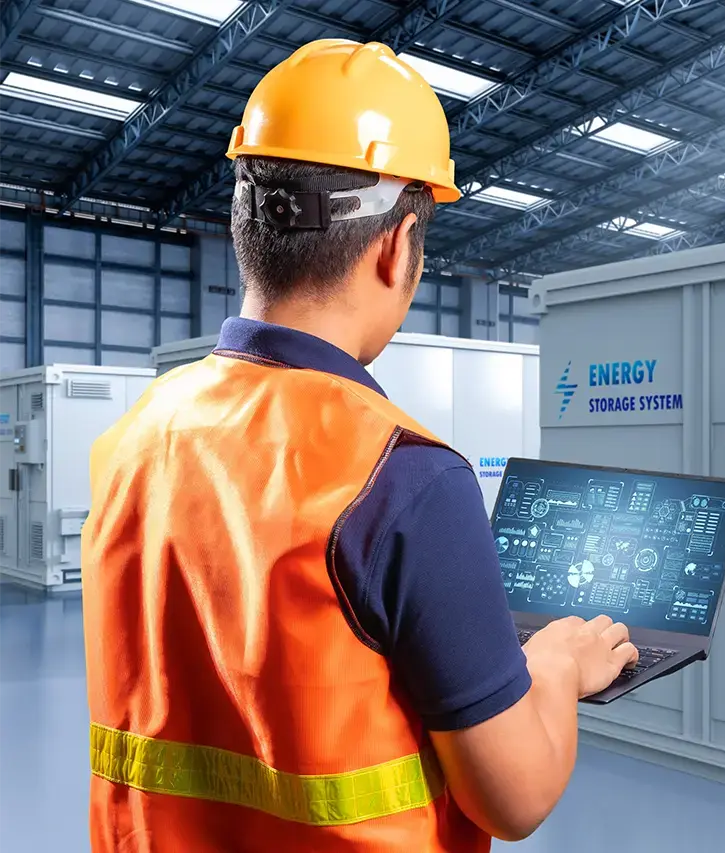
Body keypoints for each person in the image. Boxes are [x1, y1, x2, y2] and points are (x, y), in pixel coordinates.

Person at [81, 39, 639, 853]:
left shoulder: (135, 435)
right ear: (396, 247)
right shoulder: (404, 475)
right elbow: (514, 798)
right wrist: (556, 663)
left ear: (245, 226)